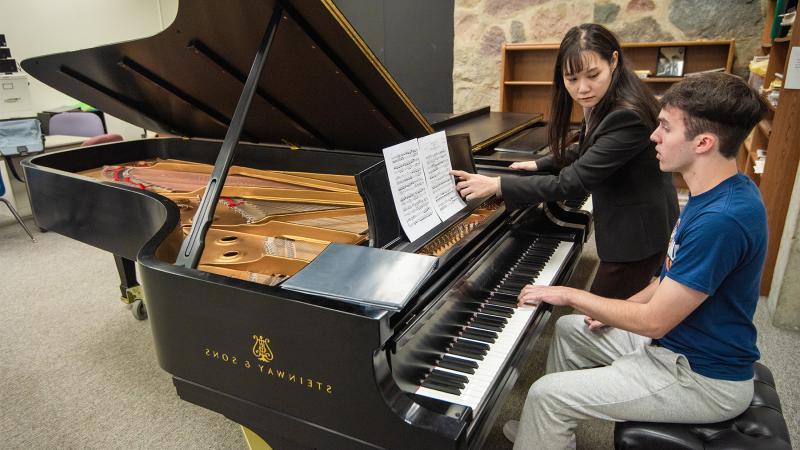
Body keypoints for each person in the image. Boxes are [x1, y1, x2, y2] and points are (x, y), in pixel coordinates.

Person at [503, 72, 769, 449]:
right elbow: (668, 280)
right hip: (678, 346)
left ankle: (546, 418)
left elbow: (655, 321)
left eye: (665, 127)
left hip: (703, 377)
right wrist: (618, 306)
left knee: (547, 394)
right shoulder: (716, 188)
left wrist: (570, 294)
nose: (653, 136)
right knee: (570, 332)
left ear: (704, 142)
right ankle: (550, 435)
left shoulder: (722, 220)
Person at [452, 24, 678, 300]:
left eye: (593, 75)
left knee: (601, 320)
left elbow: (574, 183)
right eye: (571, 79)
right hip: (639, 218)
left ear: (614, 61)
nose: (582, 88)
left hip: (635, 235)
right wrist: (541, 163)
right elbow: (590, 148)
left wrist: (498, 184)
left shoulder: (626, 113)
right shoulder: (609, 96)